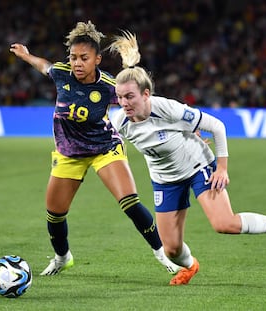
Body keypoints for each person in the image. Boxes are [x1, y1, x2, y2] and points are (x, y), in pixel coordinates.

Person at [108, 31, 266, 285]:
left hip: (198, 166)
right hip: (165, 180)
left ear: (146, 94)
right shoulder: (119, 122)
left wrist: (222, 168)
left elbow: (217, 126)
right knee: (171, 249)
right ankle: (191, 266)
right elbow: (103, 140)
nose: (124, 103)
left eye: (129, 96)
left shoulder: (168, 109)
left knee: (224, 223)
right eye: (119, 98)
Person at [10, 21, 180, 276]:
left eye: (84, 58)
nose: (77, 63)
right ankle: (62, 257)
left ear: (97, 59)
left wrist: (185, 123)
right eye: (73, 57)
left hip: (104, 148)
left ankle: (163, 254)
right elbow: (44, 66)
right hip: (69, 153)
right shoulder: (62, 73)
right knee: (55, 215)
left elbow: (145, 103)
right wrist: (25, 55)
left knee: (130, 202)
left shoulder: (110, 86)